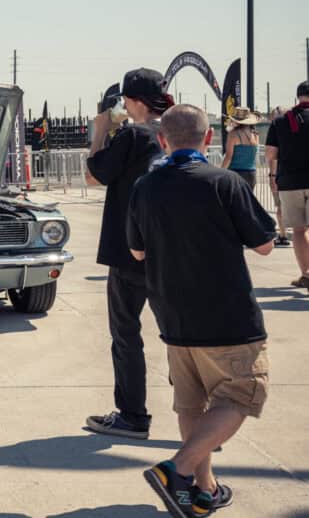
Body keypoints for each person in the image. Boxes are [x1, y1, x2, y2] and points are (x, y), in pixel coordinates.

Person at [128, 104, 274, 517]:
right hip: (227, 316)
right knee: (243, 394)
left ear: (163, 140)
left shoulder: (145, 186)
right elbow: (264, 244)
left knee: (192, 406)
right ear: (208, 139)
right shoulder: (225, 183)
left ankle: (203, 492)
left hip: (173, 316)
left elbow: (136, 250)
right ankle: (178, 469)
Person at [84, 67, 173, 439]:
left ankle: (133, 416)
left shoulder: (132, 135)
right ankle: (200, 421)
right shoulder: (174, 132)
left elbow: (93, 175)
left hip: (127, 250)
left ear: (132, 101)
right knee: (181, 337)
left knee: (125, 333)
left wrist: (101, 130)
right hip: (170, 250)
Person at [265, 81, 309, 289]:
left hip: (290, 182)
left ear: (298, 97)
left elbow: (271, 154)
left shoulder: (281, 121)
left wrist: (273, 175)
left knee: (299, 230)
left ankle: (306, 274)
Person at [221, 107, 263, 188]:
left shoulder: (233, 134)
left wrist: (220, 172)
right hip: (251, 174)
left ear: (236, 121)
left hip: (236, 174)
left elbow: (228, 157)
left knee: (233, 200)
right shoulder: (255, 135)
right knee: (247, 200)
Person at [269, 106, 291, 247]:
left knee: (280, 208)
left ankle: (283, 235)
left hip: (281, 176)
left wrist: (272, 176)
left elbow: (272, 157)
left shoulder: (277, 131)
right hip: (293, 176)